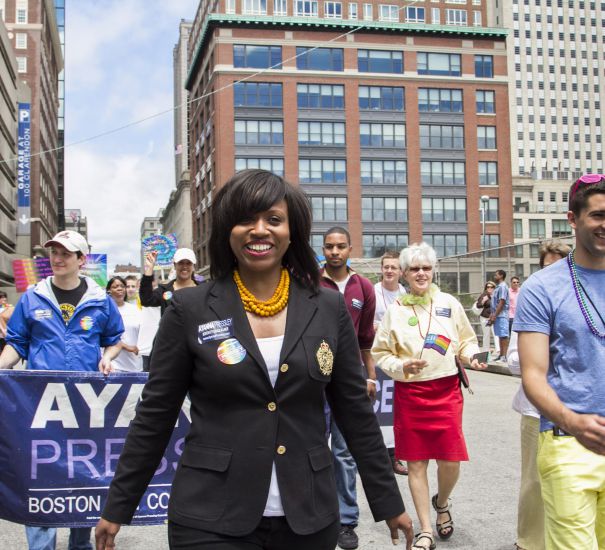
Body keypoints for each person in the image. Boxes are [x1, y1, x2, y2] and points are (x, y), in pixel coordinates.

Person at [95, 169, 414, 550]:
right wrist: (118, 505)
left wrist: (388, 501)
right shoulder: (189, 308)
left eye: (274, 219)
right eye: (246, 219)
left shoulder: (329, 308)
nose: (259, 230)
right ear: (227, 231)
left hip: (309, 517)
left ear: (291, 232)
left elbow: (355, 412)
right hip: (208, 518)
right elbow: (155, 414)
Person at [0, 230, 124, 550]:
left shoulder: (100, 300)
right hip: (39, 403)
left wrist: (108, 358)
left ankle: (80, 543)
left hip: (85, 404)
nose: (57, 258)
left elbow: (113, 340)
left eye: (65, 253)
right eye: (53, 252)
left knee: (82, 474)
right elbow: (17, 343)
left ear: (81, 260)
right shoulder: (32, 297)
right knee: (39, 476)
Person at [372, 242, 487, 550]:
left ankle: (442, 501)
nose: (421, 273)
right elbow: (380, 352)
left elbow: (466, 340)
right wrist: (401, 366)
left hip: (446, 390)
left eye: (426, 268)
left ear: (433, 270)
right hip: (411, 393)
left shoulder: (449, 303)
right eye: (414, 269)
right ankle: (425, 530)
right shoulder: (395, 311)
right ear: (404, 274)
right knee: (416, 463)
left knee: (451, 460)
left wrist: (472, 356)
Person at [515, 174, 605, 550]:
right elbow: (533, 375)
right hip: (569, 442)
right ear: (572, 219)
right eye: (598, 215)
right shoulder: (542, 287)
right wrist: (573, 422)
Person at [507, 239, 570, 550]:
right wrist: (544, 360)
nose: (552, 273)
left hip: (579, 409)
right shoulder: (534, 298)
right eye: (546, 266)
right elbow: (513, 360)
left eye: (560, 266)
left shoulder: (581, 298)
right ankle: (529, 542)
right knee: (534, 482)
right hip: (537, 411)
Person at [320, 226, 377, 550]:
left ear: (350, 249)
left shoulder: (363, 287)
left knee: (343, 452)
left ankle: (346, 521)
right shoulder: (309, 282)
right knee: (311, 446)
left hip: (349, 377)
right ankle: (313, 514)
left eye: (340, 246)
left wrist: (371, 376)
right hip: (312, 375)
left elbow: (366, 338)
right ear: (323, 250)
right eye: (329, 246)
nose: (335, 252)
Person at [373, 251, 408, 477]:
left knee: (395, 409)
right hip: (376, 356)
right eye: (386, 267)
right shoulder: (372, 292)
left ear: (401, 271)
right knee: (376, 408)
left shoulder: (405, 294)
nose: (389, 271)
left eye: (394, 267)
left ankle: (395, 456)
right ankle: (375, 457)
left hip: (397, 357)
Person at [139, 247, 199, 315]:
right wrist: (149, 268)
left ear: (193, 266)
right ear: (175, 265)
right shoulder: (164, 290)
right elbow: (146, 300)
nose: (184, 266)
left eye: (188, 263)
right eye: (181, 263)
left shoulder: (203, 289)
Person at [106, 276, 143, 373]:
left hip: (135, 365)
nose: (119, 289)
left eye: (122, 286)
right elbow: (106, 337)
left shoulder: (136, 310)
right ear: (109, 290)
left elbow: (143, 333)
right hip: (113, 366)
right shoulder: (105, 311)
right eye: (115, 287)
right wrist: (126, 346)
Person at [489, 269, 509, 362]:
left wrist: (495, 315)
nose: (495, 277)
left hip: (502, 315)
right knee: (500, 335)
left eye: (496, 275)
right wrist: (492, 314)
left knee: (504, 336)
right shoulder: (498, 287)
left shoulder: (503, 287)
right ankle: (501, 354)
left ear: (501, 276)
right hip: (497, 315)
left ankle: (504, 356)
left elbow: (502, 301)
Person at [474, 281, 499, 357]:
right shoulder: (484, 295)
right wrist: (483, 301)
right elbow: (478, 305)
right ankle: (486, 351)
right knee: (486, 335)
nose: (490, 288)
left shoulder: (497, 295)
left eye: (491, 287)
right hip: (485, 318)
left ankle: (499, 351)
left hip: (494, 318)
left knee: (496, 334)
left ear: (494, 288)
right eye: (488, 287)